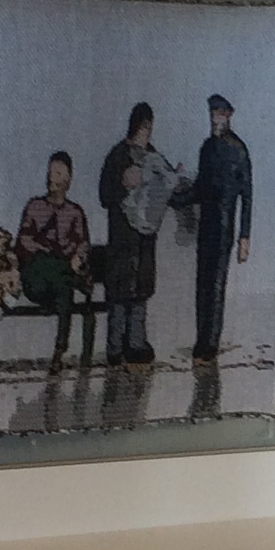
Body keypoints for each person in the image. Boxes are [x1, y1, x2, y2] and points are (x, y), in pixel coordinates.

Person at [17, 150, 96, 372]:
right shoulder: (35, 206)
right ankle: (76, 279)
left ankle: (59, 351)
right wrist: (45, 251)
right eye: (51, 172)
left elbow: (83, 243)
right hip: (37, 277)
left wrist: (78, 257)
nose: (52, 178)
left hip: (59, 281)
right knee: (55, 270)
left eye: (59, 173)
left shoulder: (74, 212)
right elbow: (24, 239)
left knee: (63, 288)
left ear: (69, 179)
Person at [189, 93, 253, 368]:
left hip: (224, 227)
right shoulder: (207, 148)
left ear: (228, 116)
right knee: (202, 285)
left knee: (215, 286)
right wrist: (173, 196)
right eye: (212, 114)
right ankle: (201, 341)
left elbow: (247, 196)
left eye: (219, 114)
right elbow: (199, 188)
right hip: (206, 225)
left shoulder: (238, 150)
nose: (215, 119)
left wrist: (244, 236)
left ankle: (209, 345)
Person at [98, 103, 164, 369]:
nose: (146, 133)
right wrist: (124, 183)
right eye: (144, 127)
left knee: (139, 297)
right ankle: (115, 348)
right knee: (119, 298)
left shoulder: (153, 156)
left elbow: (164, 184)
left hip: (144, 242)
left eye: (149, 127)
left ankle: (136, 345)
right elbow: (105, 195)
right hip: (122, 242)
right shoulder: (118, 156)